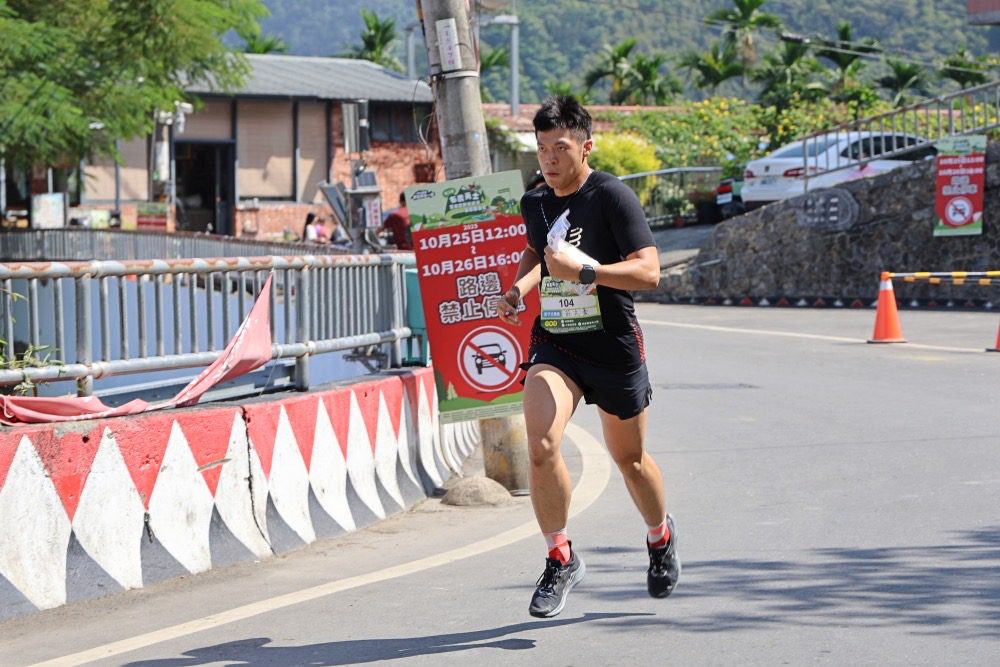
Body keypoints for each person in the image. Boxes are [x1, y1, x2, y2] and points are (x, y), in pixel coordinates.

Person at [495, 96, 679, 618]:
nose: (548, 160)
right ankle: (560, 556)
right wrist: (518, 290)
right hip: (556, 343)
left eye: (560, 148)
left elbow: (649, 272)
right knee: (541, 443)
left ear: (585, 146)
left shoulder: (613, 197)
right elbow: (538, 251)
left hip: (614, 346)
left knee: (631, 462)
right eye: (541, 149)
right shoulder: (535, 201)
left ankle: (660, 536)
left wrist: (589, 273)